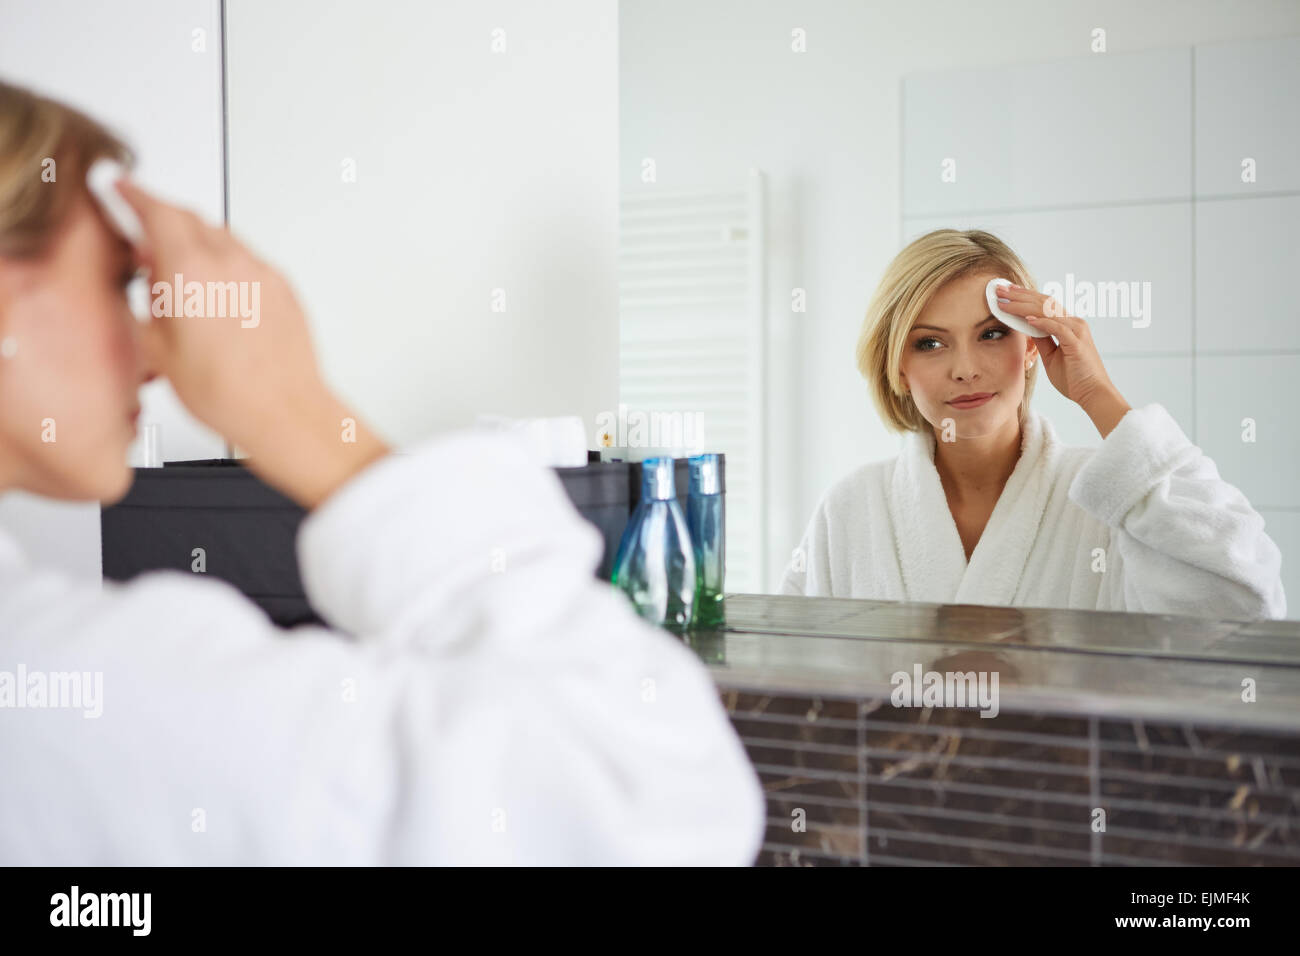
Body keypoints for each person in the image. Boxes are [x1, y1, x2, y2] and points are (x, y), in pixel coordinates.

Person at [0, 81, 765, 864]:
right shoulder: (59, 685)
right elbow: (664, 807)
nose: (154, 350)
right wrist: (291, 407)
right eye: (117, 283)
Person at [781, 229, 1286, 620]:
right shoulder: (852, 508)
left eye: (993, 334)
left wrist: (1097, 394)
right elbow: (798, 669)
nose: (965, 368)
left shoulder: (1115, 502)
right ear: (897, 368)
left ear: (1030, 346)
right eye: (930, 343)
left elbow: (1245, 602)